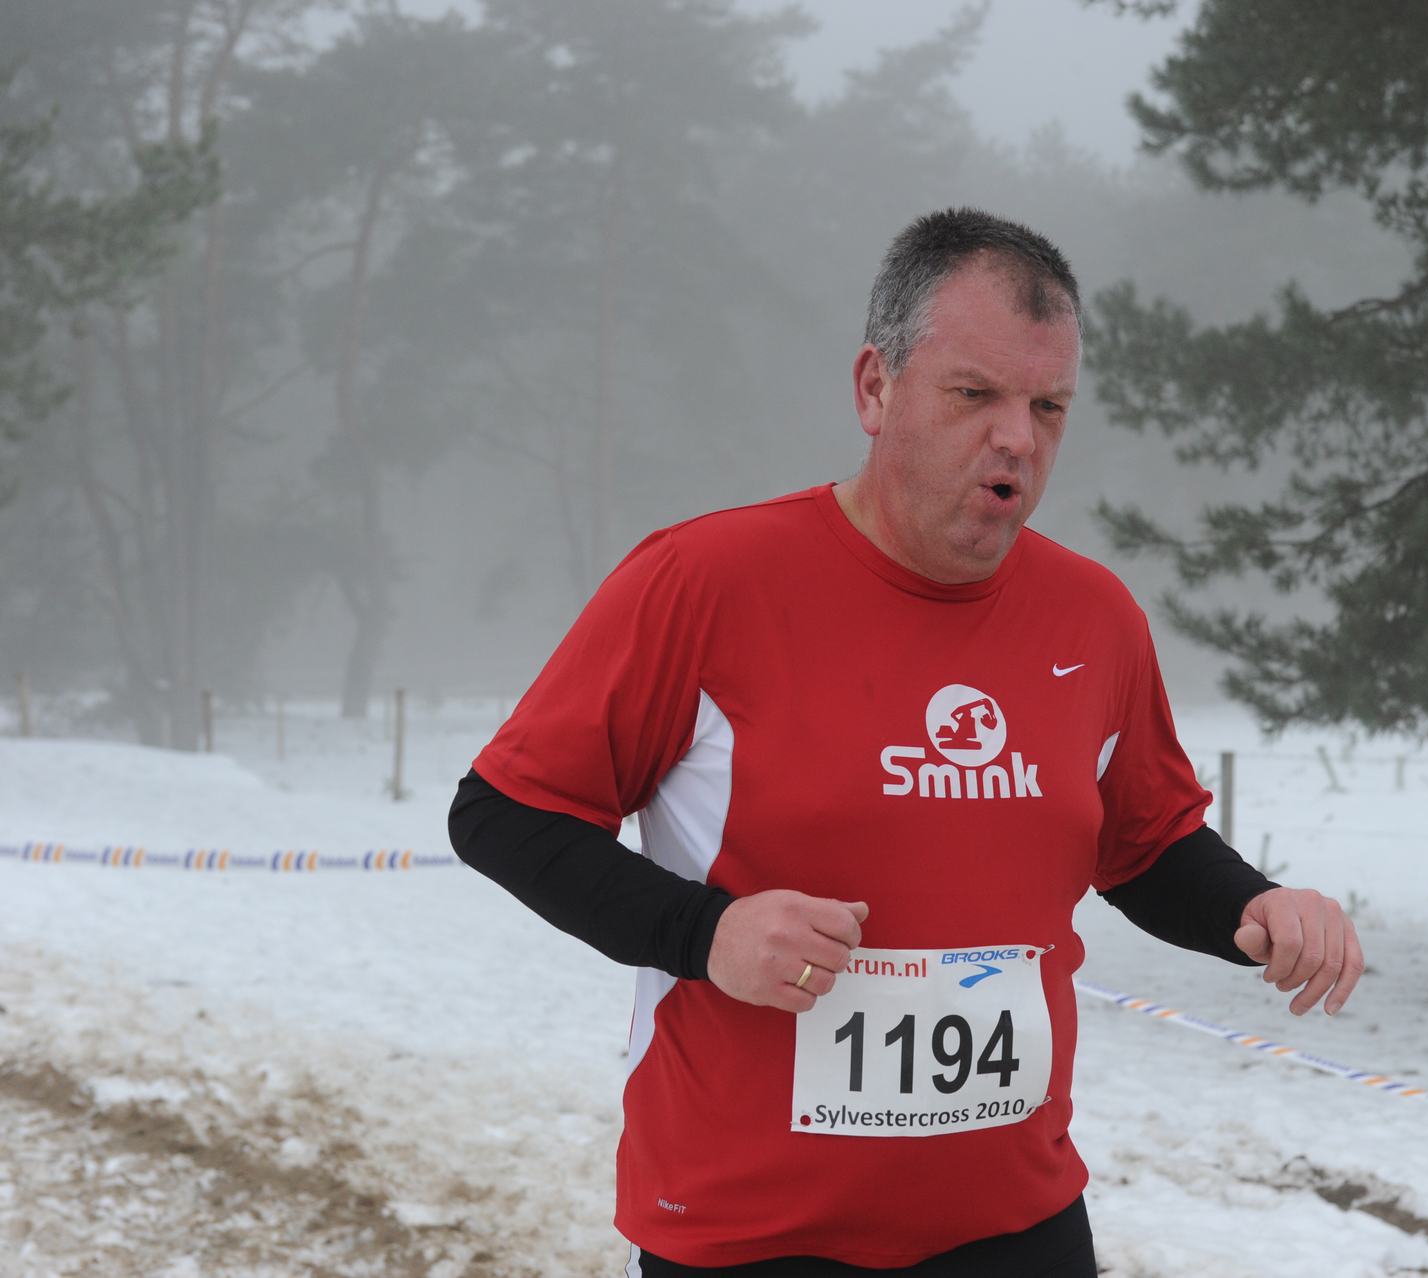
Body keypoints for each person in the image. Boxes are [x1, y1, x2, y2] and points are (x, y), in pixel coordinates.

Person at [447, 207, 1364, 1276]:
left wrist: (1257, 907)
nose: (1017, 438)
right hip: (753, 1235)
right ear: (876, 389)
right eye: (975, 395)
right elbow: (503, 814)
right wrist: (709, 933)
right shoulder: (704, 583)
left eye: (1049, 406)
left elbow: (1147, 845)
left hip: (1016, 1224)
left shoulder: (1095, 619)